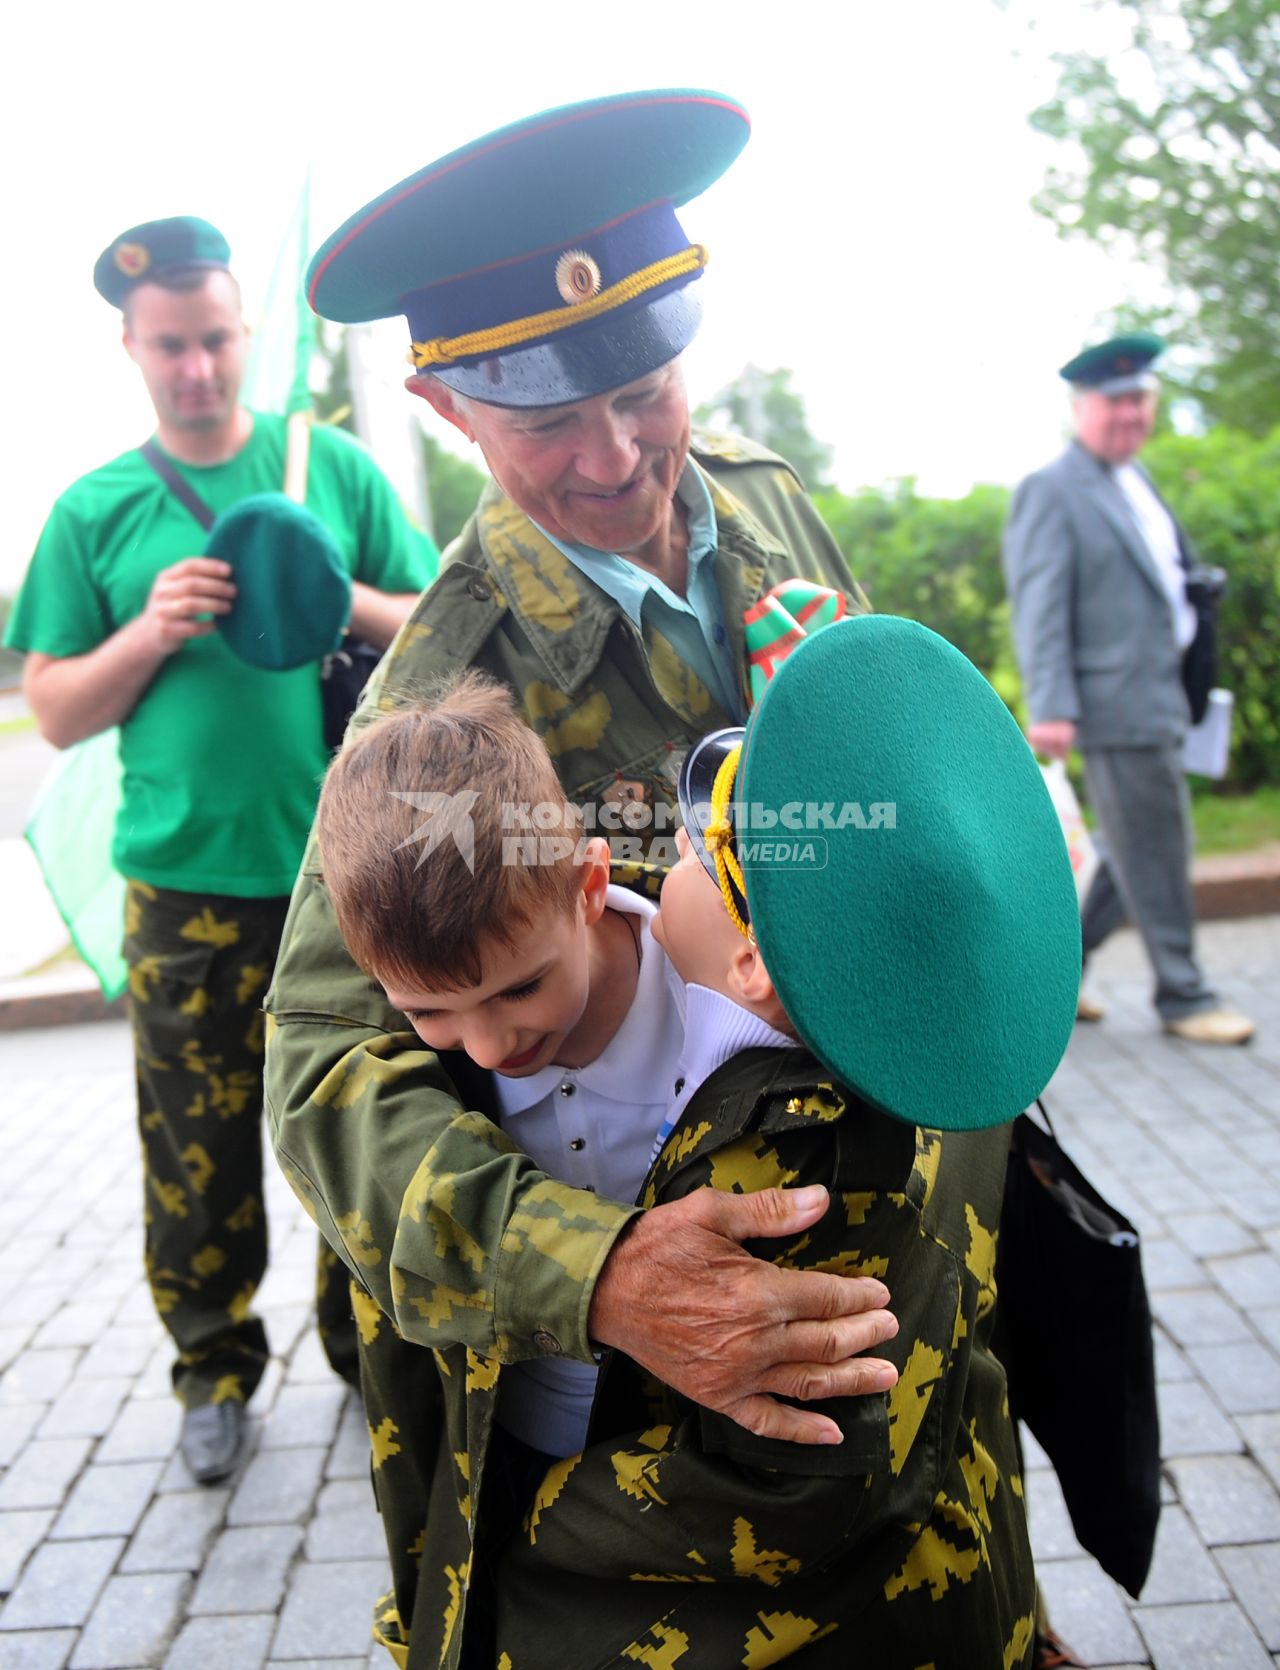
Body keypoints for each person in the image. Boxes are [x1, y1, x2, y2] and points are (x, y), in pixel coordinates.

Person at [261, 87, 911, 1660]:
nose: (618, 453)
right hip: (654, 1435)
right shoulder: (439, 707)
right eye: (550, 418)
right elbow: (320, 1072)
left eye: (642, 381)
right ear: (445, 407)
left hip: (891, 1268)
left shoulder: (764, 507)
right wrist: (599, 1271)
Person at [310, 672, 902, 1664]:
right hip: (524, 1450)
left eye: (520, 988)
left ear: (587, 886)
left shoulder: (727, 995)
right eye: (430, 1010)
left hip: (706, 1484)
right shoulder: (412, 1086)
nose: (488, 1045)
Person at [4, 215, 438, 1486]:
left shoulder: (330, 469)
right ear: (130, 347)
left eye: (214, 340)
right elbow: (55, 707)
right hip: (183, 884)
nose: (196, 368)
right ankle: (212, 1369)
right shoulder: (95, 508)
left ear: (245, 335)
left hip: (345, 874)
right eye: (169, 347)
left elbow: (431, 621)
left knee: (359, 1122)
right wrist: (147, 631)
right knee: (192, 1145)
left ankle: (367, 1349)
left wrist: (330, 593)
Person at [1003, 332, 1255, 1046]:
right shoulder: (1053, 489)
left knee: (1126, 847)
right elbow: (1041, 603)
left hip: (1161, 697)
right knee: (1159, 845)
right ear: (1082, 406)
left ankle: (1055, 977)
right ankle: (1184, 996)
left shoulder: (1133, 478)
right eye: (1114, 402)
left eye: (1140, 399)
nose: (1129, 414)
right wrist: (1050, 704)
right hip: (1114, 705)